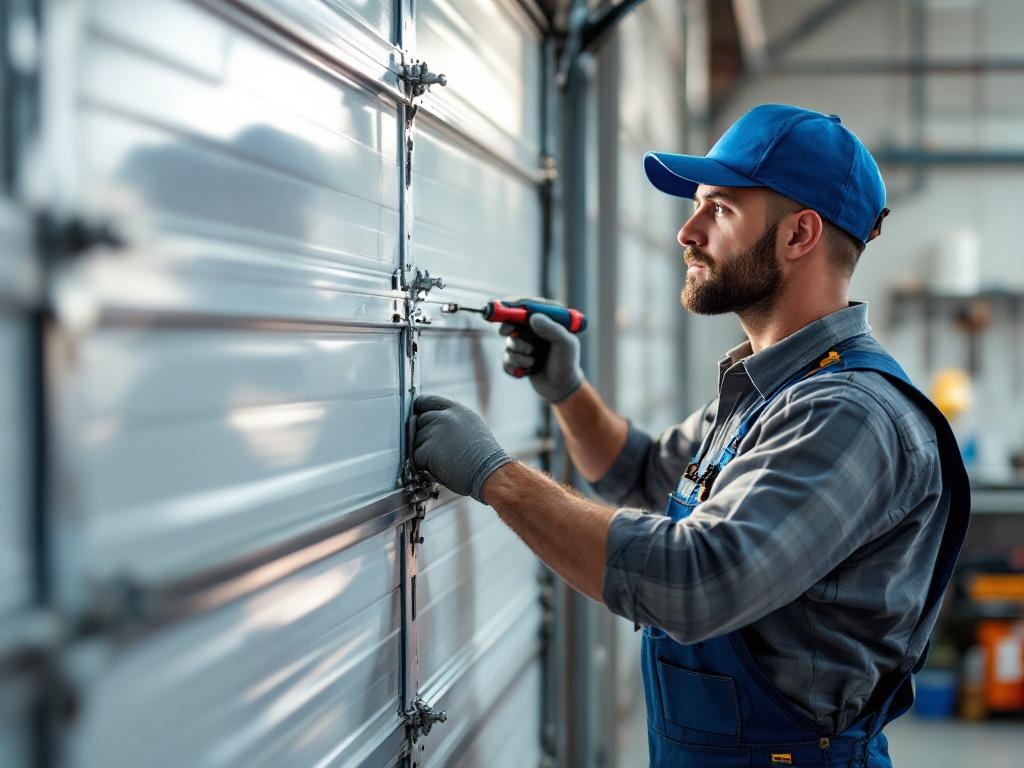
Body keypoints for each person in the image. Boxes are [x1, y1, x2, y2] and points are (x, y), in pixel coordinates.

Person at [412, 104, 970, 768]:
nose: (687, 231)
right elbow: (643, 475)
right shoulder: (768, 389)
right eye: (697, 206)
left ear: (799, 235)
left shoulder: (847, 414)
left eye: (720, 209)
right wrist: (566, 389)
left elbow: (697, 581)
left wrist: (496, 478)